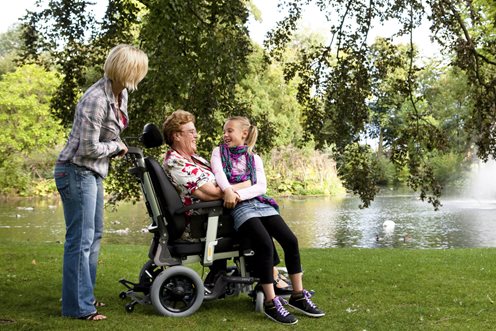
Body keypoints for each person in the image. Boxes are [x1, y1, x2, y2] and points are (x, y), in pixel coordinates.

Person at [53, 44, 148, 321]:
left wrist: (114, 146)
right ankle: (78, 308)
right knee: (80, 241)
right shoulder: (94, 100)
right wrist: (116, 148)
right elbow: (87, 148)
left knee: (92, 238)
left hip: (92, 172)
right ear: (128, 70)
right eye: (139, 70)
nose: (141, 76)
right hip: (75, 170)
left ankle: (83, 298)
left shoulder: (121, 94)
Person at [210, 116, 325, 325]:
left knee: (291, 241)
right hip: (240, 209)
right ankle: (272, 302)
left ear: (243, 134)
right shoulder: (218, 153)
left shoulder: (255, 159)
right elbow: (220, 175)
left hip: (260, 203)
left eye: (230, 131)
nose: (225, 135)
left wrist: (234, 193)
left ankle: (298, 296)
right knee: (264, 244)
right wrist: (229, 189)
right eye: (224, 131)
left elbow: (260, 187)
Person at [161, 110, 291, 291]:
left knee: (254, 217)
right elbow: (211, 193)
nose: (196, 135)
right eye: (191, 131)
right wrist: (245, 185)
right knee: (253, 224)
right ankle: (272, 277)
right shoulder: (176, 162)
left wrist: (232, 190)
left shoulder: (193, 159)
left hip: (213, 217)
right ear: (176, 136)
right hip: (203, 223)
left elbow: (220, 183)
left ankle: (266, 273)